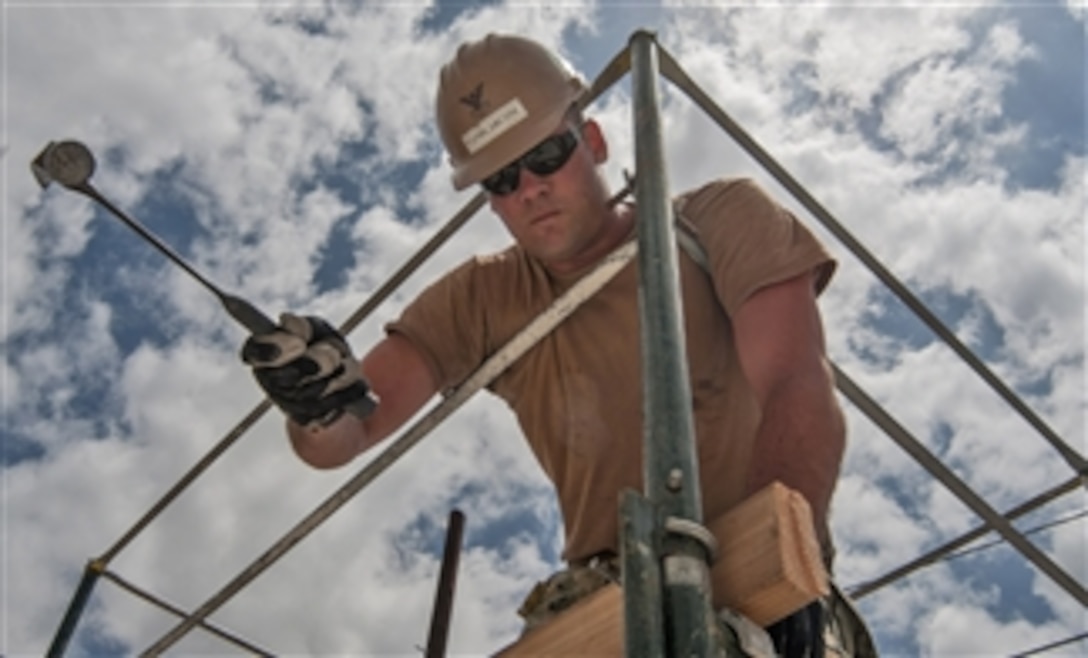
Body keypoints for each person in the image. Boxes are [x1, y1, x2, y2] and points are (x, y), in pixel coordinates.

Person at [242, 33, 876, 657]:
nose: (529, 188)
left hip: (752, 555)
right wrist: (316, 405)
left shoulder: (716, 221)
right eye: (501, 178)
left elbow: (797, 382)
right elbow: (353, 430)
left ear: (593, 141)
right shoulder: (482, 299)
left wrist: (778, 570)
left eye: (547, 154)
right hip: (602, 596)